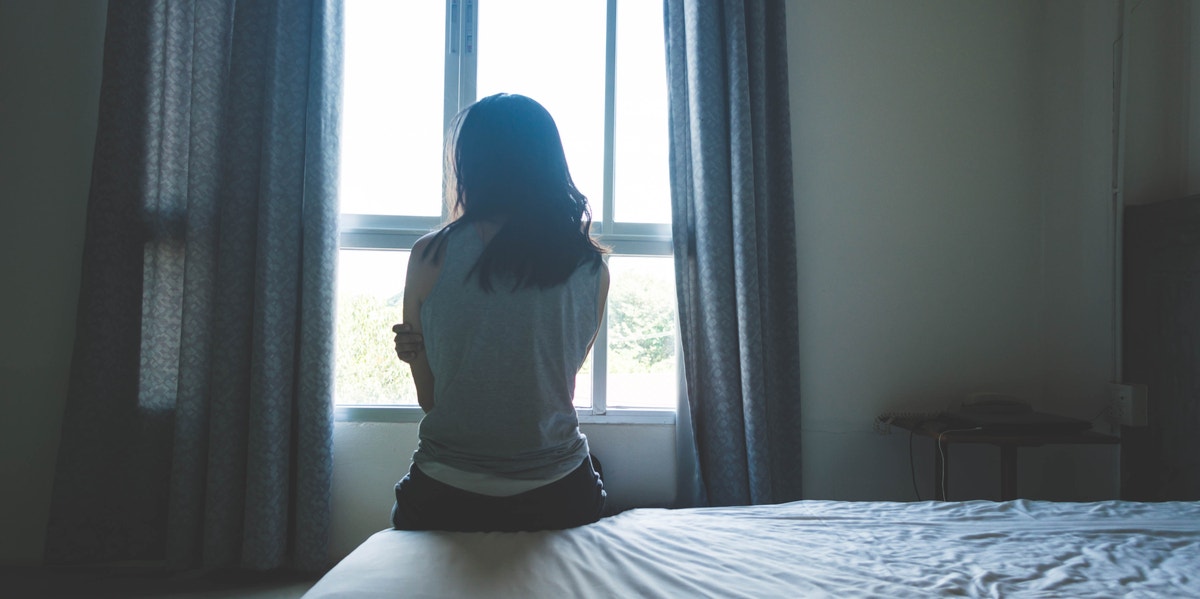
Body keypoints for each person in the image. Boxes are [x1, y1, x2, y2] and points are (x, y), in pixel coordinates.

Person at [388, 93, 609, 532]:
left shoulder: (429, 255)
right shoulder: (591, 267)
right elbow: (552, 386)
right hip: (558, 494)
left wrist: (417, 354)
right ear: (550, 163)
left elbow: (433, 403)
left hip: (444, 495)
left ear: (469, 164)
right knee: (594, 467)